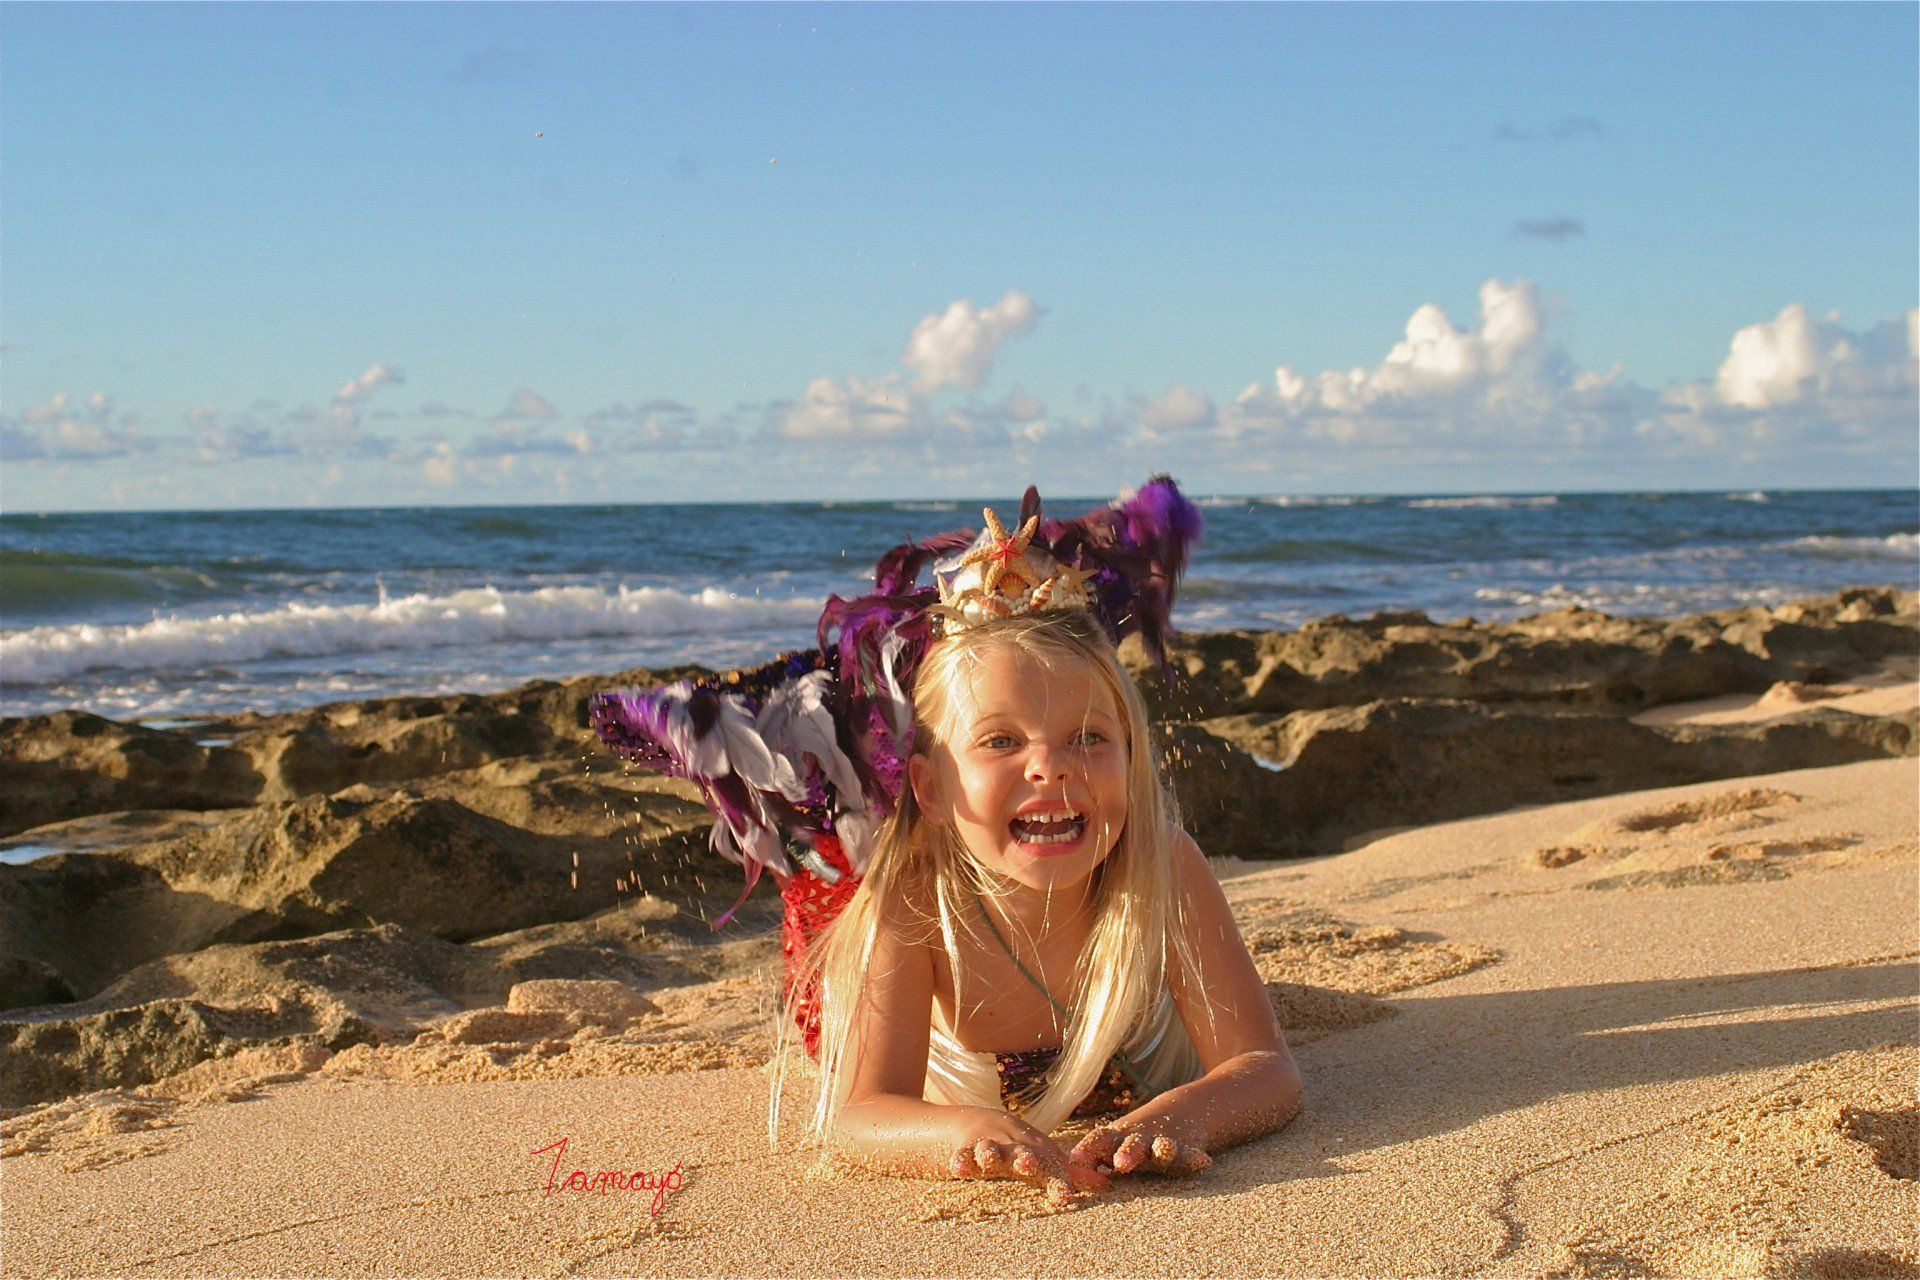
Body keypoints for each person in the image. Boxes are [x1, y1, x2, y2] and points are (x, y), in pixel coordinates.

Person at [590, 478, 1302, 1207]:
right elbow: (861, 1115)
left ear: (1132, 756)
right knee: (829, 906)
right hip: (888, 926)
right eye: (1000, 740)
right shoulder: (914, 903)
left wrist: (1187, 1115)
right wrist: (955, 1135)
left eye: (1090, 738)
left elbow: (1265, 1068)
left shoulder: (1164, 865)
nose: (1050, 764)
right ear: (931, 787)